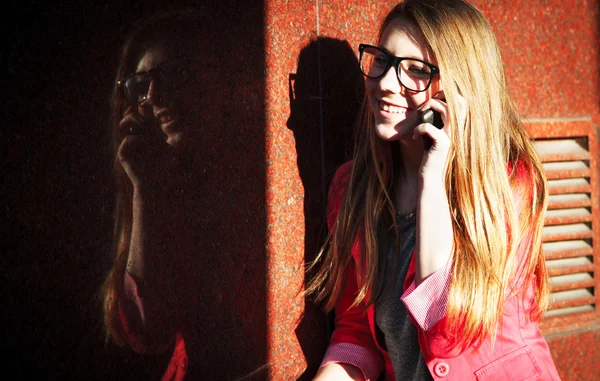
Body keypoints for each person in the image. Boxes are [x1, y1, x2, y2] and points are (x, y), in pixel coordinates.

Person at [307, 0, 561, 380]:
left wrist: (433, 178)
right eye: (382, 60)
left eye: (415, 70)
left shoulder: (507, 187)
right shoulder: (352, 189)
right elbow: (358, 329)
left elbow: (444, 325)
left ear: (460, 88)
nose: (386, 83)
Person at [100, 9, 220, 381]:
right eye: (141, 85)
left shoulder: (236, 178)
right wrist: (143, 189)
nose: (155, 97)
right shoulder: (161, 188)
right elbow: (148, 331)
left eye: (174, 75)